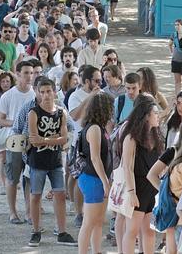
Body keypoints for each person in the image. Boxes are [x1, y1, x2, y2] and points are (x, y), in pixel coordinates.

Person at [27, 79, 76, 247]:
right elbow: (33, 140)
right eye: (43, 92)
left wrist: (45, 139)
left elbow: (64, 139)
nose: (46, 95)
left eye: (49, 91)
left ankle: (62, 231)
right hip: (37, 161)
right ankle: (35, 231)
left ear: (55, 92)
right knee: (36, 196)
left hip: (55, 161)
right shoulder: (34, 113)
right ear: (38, 93)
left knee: (60, 195)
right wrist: (53, 139)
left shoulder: (61, 112)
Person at [119, 96, 163, 253]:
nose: (158, 116)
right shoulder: (131, 138)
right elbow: (127, 168)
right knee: (132, 231)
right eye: (155, 113)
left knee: (150, 230)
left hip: (152, 189)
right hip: (137, 188)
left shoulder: (156, 136)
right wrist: (131, 193)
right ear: (146, 116)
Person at [0, 60, 35, 224]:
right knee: (12, 178)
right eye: (26, 73)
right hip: (14, 141)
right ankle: (13, 212)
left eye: (31, 73)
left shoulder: (35, 93)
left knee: (29, 178)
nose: (29, 76)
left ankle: (29, 212)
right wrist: (19, 123)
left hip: (32, 142)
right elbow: (1, 120)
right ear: (18, 74)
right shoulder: (8, 95)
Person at [77, 93, 114, 254]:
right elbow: (95, 158)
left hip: (97, 178)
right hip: (93, 178)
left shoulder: (99, 127)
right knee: (89, 222)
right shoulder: (94, 128)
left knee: (98, 221)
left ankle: (96, 251)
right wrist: (106, 182)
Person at [68, 66, 103, 228]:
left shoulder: (101, 94)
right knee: (79, 178)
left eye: (100, 80)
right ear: (87, 81)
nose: (99, 83)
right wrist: (90, 97)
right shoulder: (75, 96)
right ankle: (78, 213)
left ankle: (92, 209)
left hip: (97, 139)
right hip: (80, 143)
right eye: (96, 80)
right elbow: (74, 116)